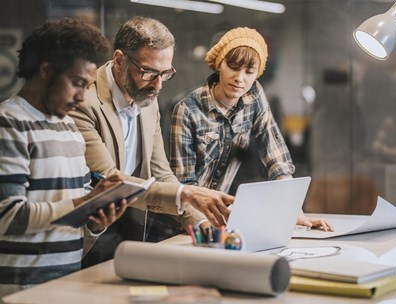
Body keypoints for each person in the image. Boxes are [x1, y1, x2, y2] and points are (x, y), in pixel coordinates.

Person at [69, 17, 234, 264]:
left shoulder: (147, 96)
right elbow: (109, 179)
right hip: (87, 235)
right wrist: (187, 193)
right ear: (119, 60)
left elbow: (160, 173)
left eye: (165, 73)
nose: (157, 85)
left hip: (128, 233)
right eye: (148, 72)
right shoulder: (84, 101)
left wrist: (200, 222)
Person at [0, 18, 133, 299]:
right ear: (46, 70)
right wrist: (85, 203)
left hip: (67, 284)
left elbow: (72, 214)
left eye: (87, 86)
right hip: (19, 291)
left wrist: (96, 219)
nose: (82, 97)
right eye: (76, 83)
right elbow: (7, 216)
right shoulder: (9, 123)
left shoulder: (69, 128)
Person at [170, 27, 332, 230]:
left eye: (249, 72)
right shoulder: (187, 109)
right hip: (181, 220)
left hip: (216, 220)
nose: (240, 78)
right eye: (233, 67)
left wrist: (295, 214)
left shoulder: (253, 96)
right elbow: (183, 183)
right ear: (219, 63)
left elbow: (276, 158)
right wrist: (202, 223)